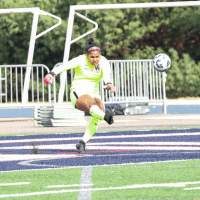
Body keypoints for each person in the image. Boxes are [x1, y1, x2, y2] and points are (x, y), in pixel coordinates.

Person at [44, 35, 116, 153]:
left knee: (97, 115)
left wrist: (109, 84)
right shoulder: (80, 60)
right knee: (92, 105)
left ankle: (82, 142)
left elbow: (107, 77)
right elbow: (63, 67)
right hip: (78, 92)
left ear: (100, 55)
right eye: (92, 57)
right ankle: (106, 116)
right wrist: (52, 73)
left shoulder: (104, 62)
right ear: (87, 55)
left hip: (94, 94)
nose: (95, 60)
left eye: (97, 57)